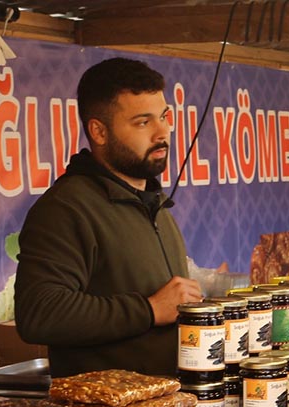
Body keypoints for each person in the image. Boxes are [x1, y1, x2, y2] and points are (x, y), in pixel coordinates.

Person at [15, 57, 202, 377]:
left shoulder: (153, 201)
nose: (162, 132)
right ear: (99, 132)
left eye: (164, 116)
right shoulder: (66, 208)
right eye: (143, 122)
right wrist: (149, 309)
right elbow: (39, 313)